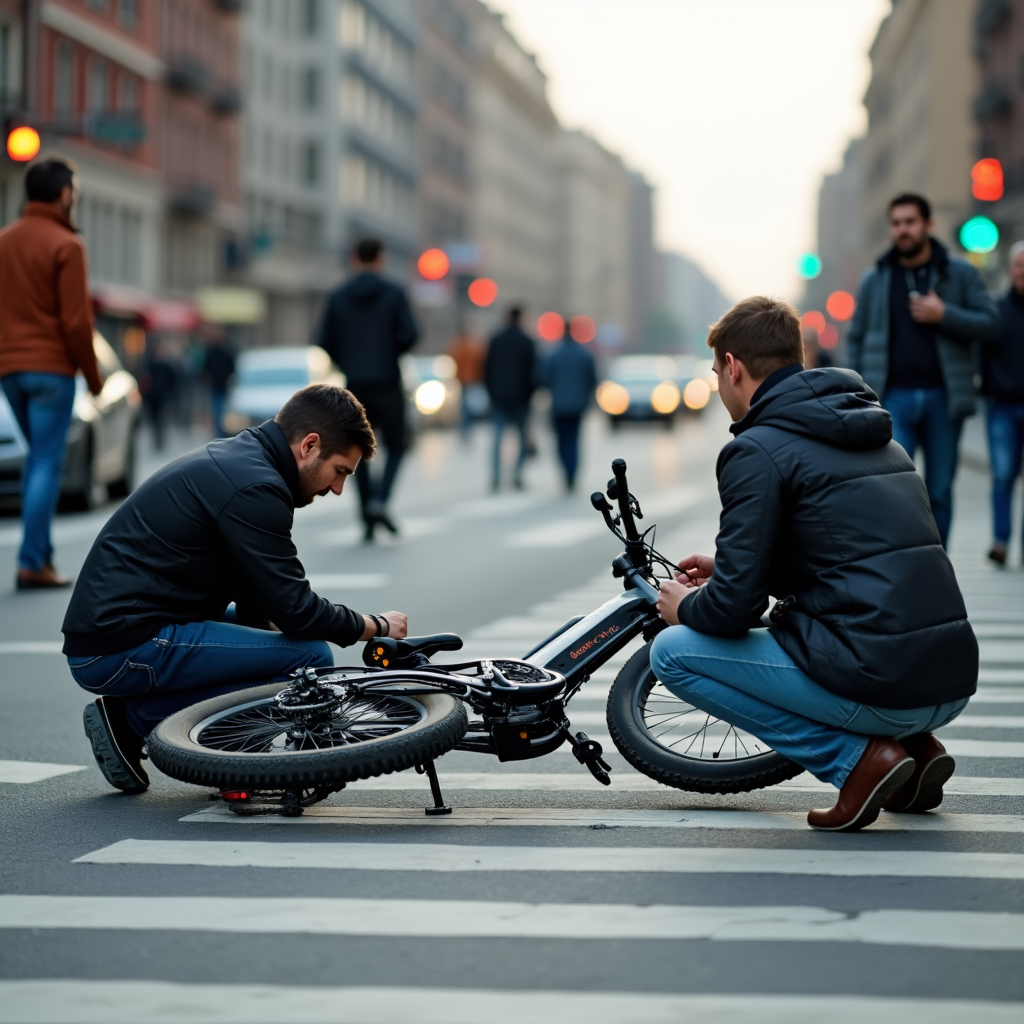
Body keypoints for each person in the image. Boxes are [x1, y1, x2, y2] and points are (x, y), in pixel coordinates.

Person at [651, 297, 977, 832]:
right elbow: (854, 561)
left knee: (673, 654)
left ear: (733, 366)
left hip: (884, 685)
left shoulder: (755, 449)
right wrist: (732, 564)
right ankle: (914, 753)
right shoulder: (878, 436)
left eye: (715, 372)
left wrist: (686, 606)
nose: (717, 386)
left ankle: (857, 763)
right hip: (947, 682)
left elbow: (734, 610)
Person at [63, 383, 409, 794]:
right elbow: (296, 609)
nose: (337, 490)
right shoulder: (256, 487)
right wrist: (374, 625)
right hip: (120, 644)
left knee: (283, 646)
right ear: (309, 445)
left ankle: (210, 748)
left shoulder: (247, 462)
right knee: (309, 656)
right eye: (340, 472)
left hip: (125, 631)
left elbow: (261, 603)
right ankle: (140, 723)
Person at [846, 193, 1000, 548]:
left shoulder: (959, 273)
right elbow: (856, 337)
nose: (903, 230)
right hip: (892, 398)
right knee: (893, 489)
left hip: (944, 397)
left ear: (928, 225)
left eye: (910, 222)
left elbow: (991, 325)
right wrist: (858, 392)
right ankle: (899, 563)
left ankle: (936, 570)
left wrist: (944, 314)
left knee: (941, 490)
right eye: (896, 223)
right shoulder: (876, 278)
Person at [0, 158, 103, 590]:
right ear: (64, 195)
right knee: (45, 461)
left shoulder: (4, 241)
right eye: (74, 193)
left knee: (36, 461)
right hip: (51, 371)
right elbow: (77, 323)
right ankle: (32, 561)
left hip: (10, 370)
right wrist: (94, 377)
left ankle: (37, 555)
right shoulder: (67, 244)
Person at [318, 237, 418, 542]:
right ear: (380, 259)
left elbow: (324, 340)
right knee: (398, 446)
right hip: (388, 381)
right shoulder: (394, 293)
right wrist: (390, 351)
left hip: (355, 386)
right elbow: (411, 334)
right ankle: (380, 499)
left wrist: (348, 361)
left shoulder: (338, 295)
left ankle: (366, 513)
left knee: (356, 451)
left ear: (354, 259)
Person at [981, 241, 1024, 566]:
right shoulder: (996, 311)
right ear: (1010, 269)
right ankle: (1001, 540)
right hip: (1003, 406)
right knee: (1003, 475)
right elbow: (981, 354)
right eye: (1019, 264)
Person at [485, 306, 536, 491]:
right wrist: (530, 394)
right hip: (521, 398)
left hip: (499, 397)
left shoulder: (496, 340)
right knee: (521, 439)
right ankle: (517, 475)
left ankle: (496, 477)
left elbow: (487, 369)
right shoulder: (526, 341)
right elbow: (533, 372)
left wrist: (491, 392)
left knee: (498, 438)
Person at [543, 319, 597, 491]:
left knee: (561, 442)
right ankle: (572, 473)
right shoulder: (584, 354)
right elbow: (592, 380)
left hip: (559, 405)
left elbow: (543, 378)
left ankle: (567, 471)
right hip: (577, 405)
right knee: (573, 441)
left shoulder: (553, 355)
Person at [446, 326, 487, 440]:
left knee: (465, 407)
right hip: (472, 380)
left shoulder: (457, 346)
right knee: (469, 406)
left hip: (463, 379)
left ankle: (465, 429)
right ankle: (467, 428)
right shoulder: (474, 346)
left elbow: (451, 356)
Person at [203, 331, 236, 438]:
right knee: (218, 410)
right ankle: (219, 432)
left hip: (222, 386)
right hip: (217, 386)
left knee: (221, 410)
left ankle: (221, 432)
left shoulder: (222, 352)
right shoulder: (213, 352)